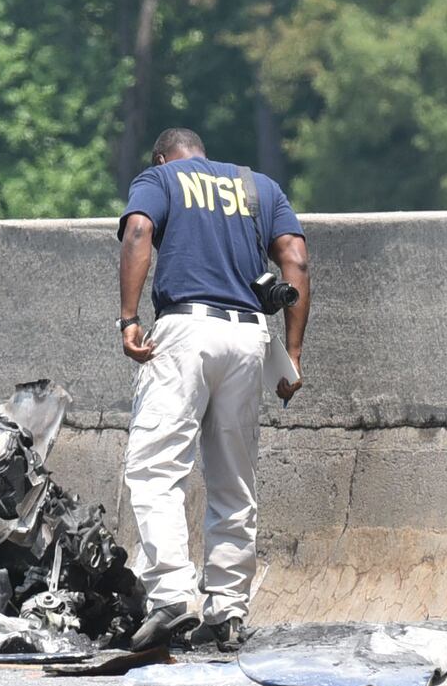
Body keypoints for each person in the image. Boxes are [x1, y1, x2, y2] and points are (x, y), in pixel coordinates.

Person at [115, 127, 308, 654]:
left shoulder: (160, 178)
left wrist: (129, 318)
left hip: (186, 331)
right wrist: (291, 354)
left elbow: (138, 232)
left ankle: (174, 595)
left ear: (163, 157)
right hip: (249, 336)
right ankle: (226, 610)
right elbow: (294, 257)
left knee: (155, 467)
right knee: (234, 477)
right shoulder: (258, 186)